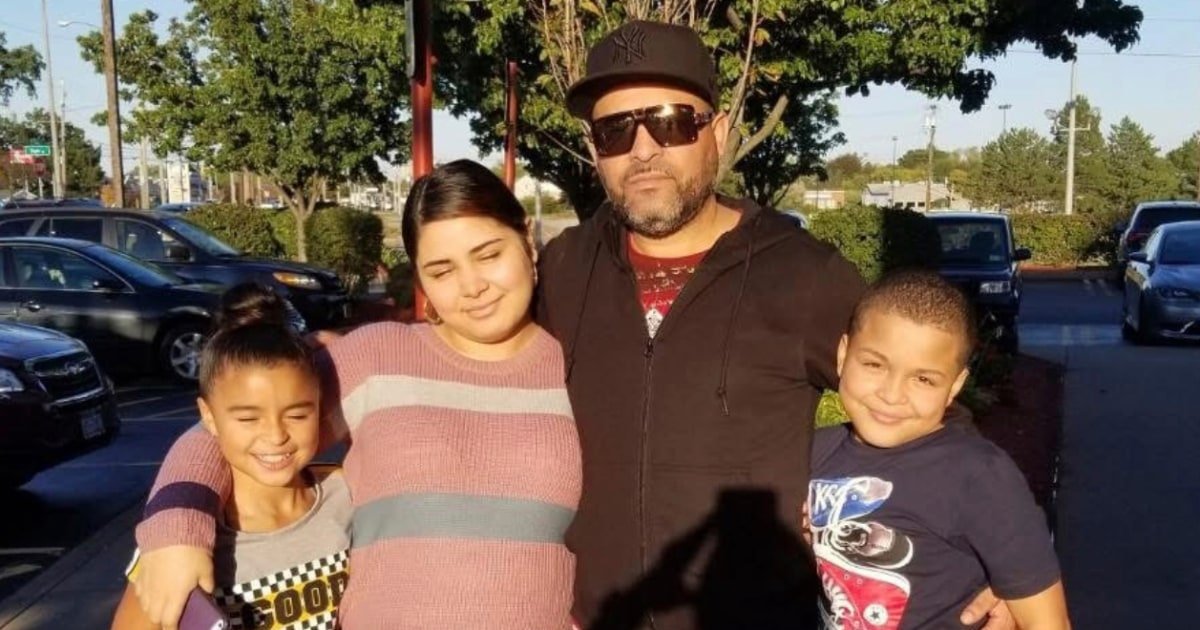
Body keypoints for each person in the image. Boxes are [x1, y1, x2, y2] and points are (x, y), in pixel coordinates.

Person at [537, 20, 1011, 629]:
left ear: (717, 132)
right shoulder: (566, 268)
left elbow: (924, 403)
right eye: (615, 131)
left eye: (671, 123)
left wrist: (993, 556)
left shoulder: (802, 275)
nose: (643, 150)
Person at [130, 161, 581, 629]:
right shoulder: (377, 358)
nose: (473, 287)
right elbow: (224, 431)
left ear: (527, 239)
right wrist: (175, 530)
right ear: (420, 279)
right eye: (441, 270)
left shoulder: (579, 370)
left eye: (488, 255)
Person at [807, 270, 1069, 629]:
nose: (892, 395)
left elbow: (1049, 623)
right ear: (842, 355)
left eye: (923, 379)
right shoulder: (814, 451)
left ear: (955, 386)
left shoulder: (980, 477)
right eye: (874, 364)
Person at [112, 283, 352, 630]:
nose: (276, 435)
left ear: (320, 406)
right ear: (208, 417)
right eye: (248, 419)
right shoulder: (182, 543)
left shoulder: (348, 497)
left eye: (298, 415)